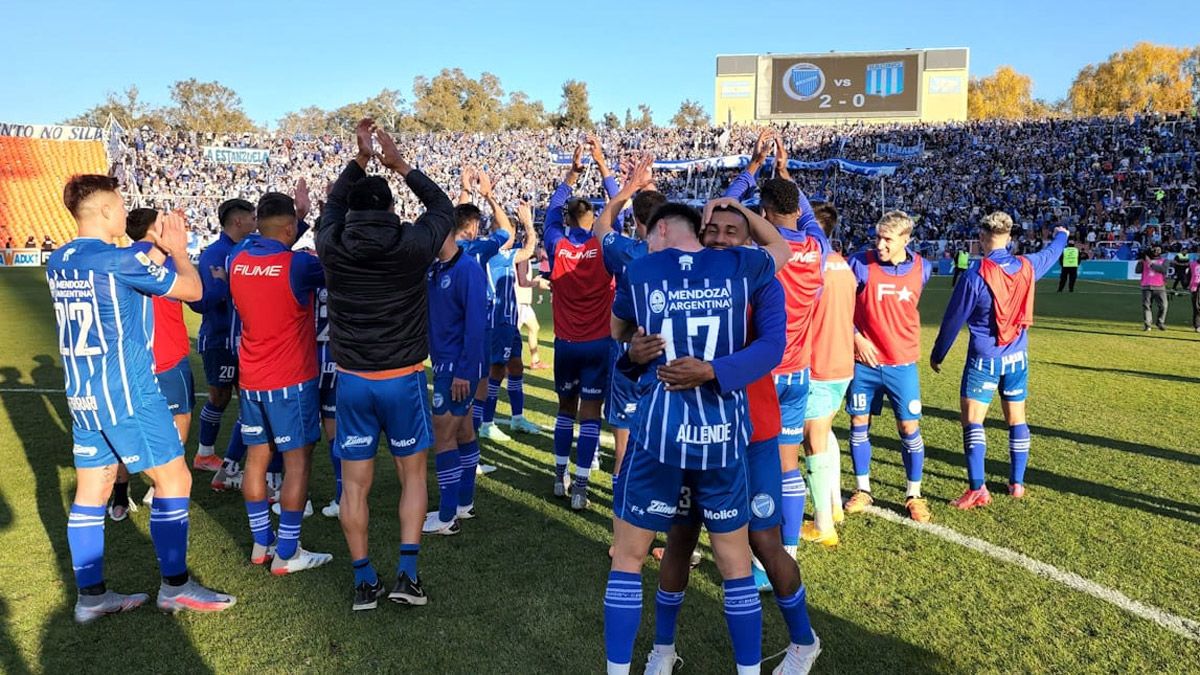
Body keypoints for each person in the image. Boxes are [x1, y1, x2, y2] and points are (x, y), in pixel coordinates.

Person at [606, 202, 788, 675]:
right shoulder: (740, 265)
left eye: (649, 235)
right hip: (722, 434)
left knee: (628, 557)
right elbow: (782, 247)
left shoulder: (640, 269)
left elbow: (617, 328)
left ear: (662, 229)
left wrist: (634, 348)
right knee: (735, 564)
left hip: (660, 435)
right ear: (700, 230)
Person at [644, 197, 822, 675]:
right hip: (690, 428)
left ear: (748, 241)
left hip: (752, 431)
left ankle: (804, 642)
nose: (720, 238)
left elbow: (771, 348)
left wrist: (711, 371)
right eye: (713, 230)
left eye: (732, 231)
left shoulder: (760, 280)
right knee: (680, 537)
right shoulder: (684, 279)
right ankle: (663, 649)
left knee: (764, 540)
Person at [49, 174, 234, 623]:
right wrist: (179, 251)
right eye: (119, 203)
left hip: (84, 395)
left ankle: (91, 596)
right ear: (105, 210)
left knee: (92, 490)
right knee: (175, 481)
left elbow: (128, 267)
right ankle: (176, 586)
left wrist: (156, 248)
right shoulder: (118, 260)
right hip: (129, 393)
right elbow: (193, 290)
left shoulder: (59, 260)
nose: (124, 210)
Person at [317, 119, 455, 611]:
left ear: (352, 211)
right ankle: (407, 576)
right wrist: (399, 164)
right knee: (412, 477)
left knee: (354, 485)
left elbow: (332, 206)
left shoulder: (331, 243)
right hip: (402, 379)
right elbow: (443, 209)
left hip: (353, 381)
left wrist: (360, 159)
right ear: (393, 209)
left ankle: (364, 581)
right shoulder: (411, 245)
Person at [723, 130, 828, 554]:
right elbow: (806, 215)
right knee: (788, 463)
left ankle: (750, 549)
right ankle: (788, 550)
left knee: (747, 463)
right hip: (799, 369)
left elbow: (725, 206)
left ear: (763, 214)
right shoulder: (819, 246)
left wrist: (754, 166)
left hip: (761, 371)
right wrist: (785, 171)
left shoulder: (761, 256)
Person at [930, 215, 1068, 506]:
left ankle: (977, 488)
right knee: (1017, 419)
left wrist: (938, 354)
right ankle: (1017, 483)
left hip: (985, 359)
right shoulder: (1028, 265)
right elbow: (1053, 251)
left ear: (982, 237)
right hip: (1018, 357)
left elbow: (953, 319)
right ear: (1010, 238)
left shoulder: (975, 275)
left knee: (973, 421)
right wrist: (1061, 235)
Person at [229, 190, 331, 575]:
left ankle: (262, 543)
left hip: (251, 379)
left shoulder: (238, 257)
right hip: (291, 380)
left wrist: (295, 219)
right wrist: (321, 218)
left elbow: (271, 241)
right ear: (290, 228)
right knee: (297, 463)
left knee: (256, 459)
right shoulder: (298, 265)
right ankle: (287, 551)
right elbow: (335, 265)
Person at [107, 208, 201, 520]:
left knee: (126, 427)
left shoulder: (119, 260)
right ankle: (162, 485)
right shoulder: (170, 261)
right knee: (178, 420)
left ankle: (120, 497)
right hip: (168, 357)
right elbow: (200, 298)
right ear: (154, 228)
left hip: (129, 362)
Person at [843, 211, 933, 523]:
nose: (880, 244)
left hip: (901, 363)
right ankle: (863, 489)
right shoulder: (859, 263)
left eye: (888, 239)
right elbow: (838, 305)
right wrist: (856, 338)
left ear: (906, 240)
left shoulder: (923, 267)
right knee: (858, 422)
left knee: (909, 428)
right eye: (878, 237)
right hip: (864, 363)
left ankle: (914, 494)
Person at [544, 142, 617, 510]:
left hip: (566, 344)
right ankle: (581, 488)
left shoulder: (557, 244)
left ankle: (560, 477)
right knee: (590, 414)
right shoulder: (604, 244)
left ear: (568, 220)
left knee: (565, 409)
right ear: (593, 218)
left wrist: (572, 174)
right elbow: (619, 206)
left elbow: (550, 214)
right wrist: (603, 165)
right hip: (599, 343)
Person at [594, 150, 666, 479]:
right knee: (662, 435)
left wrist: (630, 187)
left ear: (637, 222)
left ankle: (622, 495)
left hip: (627, 348)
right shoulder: (681, 252)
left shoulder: (627, 251)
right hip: (665, 348)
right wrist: (645, 184)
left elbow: (602, 224)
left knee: (623, 441)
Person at [423, 216, 487, 535]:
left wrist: (464, 371)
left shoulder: (468, 269)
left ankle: (447, 516)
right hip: (444, 363)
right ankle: (464, 502)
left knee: (443, 435)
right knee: (463, 432)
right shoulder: (435, 270)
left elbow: (476, 325)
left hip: (456, 368)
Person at [189, 198, 257, 481]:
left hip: (244, 340)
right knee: (220, 396)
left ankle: (231, 461)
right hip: (220, 340)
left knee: (247, 400)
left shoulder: (247, 248)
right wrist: (222, 284)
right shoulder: (215, 254)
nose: (256, 222)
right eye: (252, 217)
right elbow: (203, 301)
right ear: (238, 221)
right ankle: (206, 454)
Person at [800, 203, 856, 547]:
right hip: (842, 363)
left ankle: (823, 523)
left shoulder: (813, 266)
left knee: (813, 440)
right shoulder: (841, 264)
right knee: (825, 433)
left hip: (818, 363)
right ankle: (834, 506)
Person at [456, 168, 516, 443]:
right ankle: (471, 442)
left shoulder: (443, 246)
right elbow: (506, 231)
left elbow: (455, 221)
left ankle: (457, 442)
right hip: (478, 326)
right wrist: (489, 196)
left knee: (452, 395)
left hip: (448, 328)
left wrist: (465, 191)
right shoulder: (480, 248)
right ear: (473, 227)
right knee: (479, 383)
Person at [479, 200, 541, 436]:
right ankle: (486, 424)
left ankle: (517, 418)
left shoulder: (497, 253)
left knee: (516, 366)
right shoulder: (498, 254)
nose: (514, 236)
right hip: (498, 321)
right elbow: (529, 250)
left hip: (509, 320)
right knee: (496, 370)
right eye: (512, 232)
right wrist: (529, 223)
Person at [514, 255, 546, 369]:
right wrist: (537, 283)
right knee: (513, 335)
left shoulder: (523, 258)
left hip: (524, 301)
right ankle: (507, 363)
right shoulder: (523, 258)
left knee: (534, 327)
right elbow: (522, 282)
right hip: (519, 301)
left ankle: (535, 361)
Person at [1136, 246, 1169, 331]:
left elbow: (1163, 270)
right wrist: (1140, 262)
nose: (1156, 251)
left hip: (1160, 286)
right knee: (1147, 306)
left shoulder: (1164, 260)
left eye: (1158, 250)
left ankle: (1160, 322)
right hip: (1146, 285)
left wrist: (1150, 263)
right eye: (1154, 250)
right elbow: (1137, 271)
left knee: (1164, 306)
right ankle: (1147, 324)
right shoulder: (1144, 261)